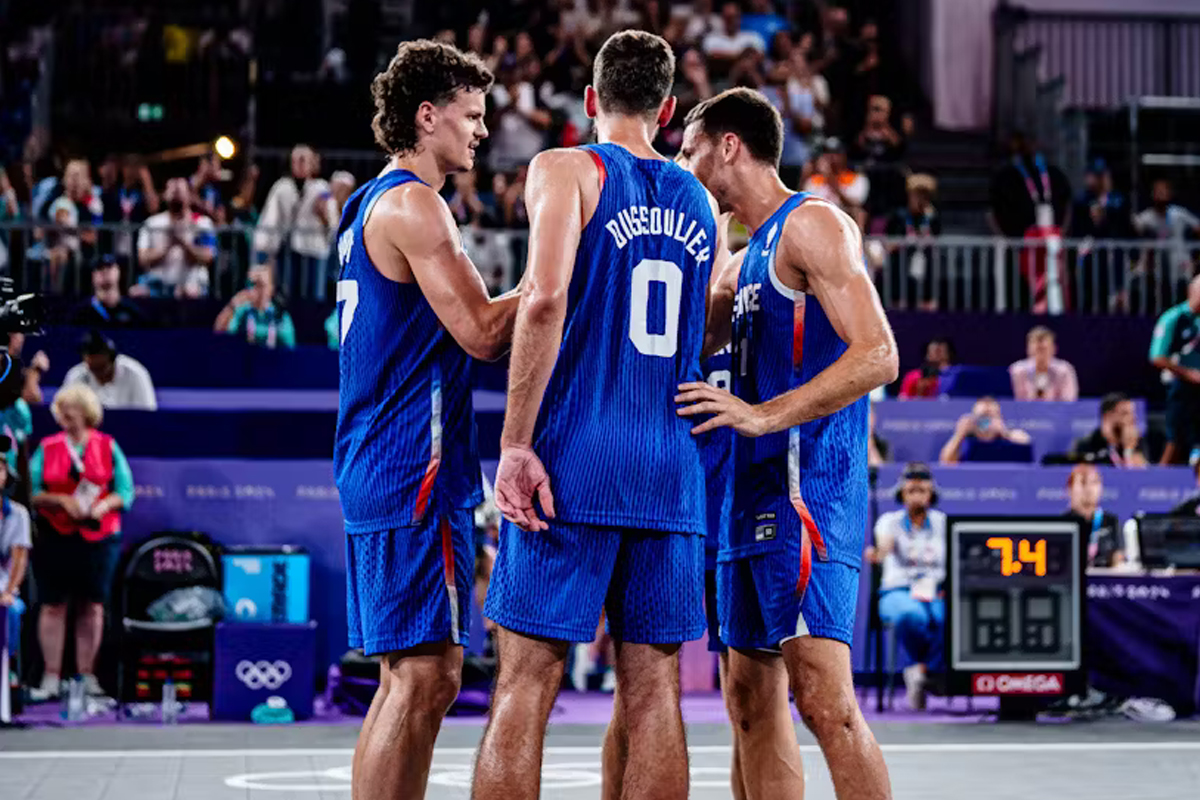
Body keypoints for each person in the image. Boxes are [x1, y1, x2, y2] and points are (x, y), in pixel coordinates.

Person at [476, 31, 721, 800]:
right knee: (655, 691)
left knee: (525, 686)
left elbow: (544, 299)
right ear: (669, 109)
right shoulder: (701, 198)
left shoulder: (565, 168)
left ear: (590, 100)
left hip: (575, 460)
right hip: (668, 463)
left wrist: (516, 441)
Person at [676, 86, 896, 800]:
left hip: (808, 498)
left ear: (729, 146)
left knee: (825, 703)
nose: (681, 162)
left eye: (689, 149)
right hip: (745, 500)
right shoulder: (739, 260)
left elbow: (879, 354)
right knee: (745, 699)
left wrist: (766, 414)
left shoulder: (815, 226)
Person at [334, 40, 520, 800]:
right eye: (471, 116)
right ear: (427, 116)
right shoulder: (415, 203)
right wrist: (562, 276)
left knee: (407, 677)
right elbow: (481, 331)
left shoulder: (368, 203)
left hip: (382, 453)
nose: (480, 131)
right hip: (416, 462)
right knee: (425, 675)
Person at [28, 384, 134, 701]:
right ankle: (50, 677)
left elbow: (125, 491)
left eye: (70, 413)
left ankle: (87, 676)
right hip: (56, 535)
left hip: (99, 536)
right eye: (61, 413)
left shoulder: (107, 445)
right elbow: (32, 492)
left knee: (92, 605)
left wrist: (102, 505)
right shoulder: (47, 447)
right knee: (54, 605)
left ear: (86, 413)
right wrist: (59, 500)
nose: (64, 418)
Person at [868, 463, 946, 710]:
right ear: (902, 493)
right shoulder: (888, 522)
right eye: (911, 490)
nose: (917, 495)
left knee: (951, 619)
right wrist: (879, 552)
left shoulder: (942, 522)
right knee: (911, 615)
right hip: (897, 591)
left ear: (931, 493)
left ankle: (920, 671)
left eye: (922, 490)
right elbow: (882, 549)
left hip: (935, 591)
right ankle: (926, 672)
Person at [133, 177, 215, 298]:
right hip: (157, 285)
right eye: (172, 191)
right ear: (164, 195)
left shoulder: (202, 223)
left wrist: (184, 244)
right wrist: (167, 245)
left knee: (191, 292)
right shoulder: (152, 223)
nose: (176, 194)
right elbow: (142, 258)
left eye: (180, 191)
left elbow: (208, 257)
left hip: (193, 285)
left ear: (190, 195)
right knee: (136, 292)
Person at [1148, 275, 1200, 465]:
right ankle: (1157, 485)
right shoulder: (1172, 318)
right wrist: (1189, 374)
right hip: (1178, 389)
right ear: (1192, 292)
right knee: (1175, 441)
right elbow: (1157, 357)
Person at [62, 331, 158, 411]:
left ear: (112, 361)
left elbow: (147, 413)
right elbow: (63, 412)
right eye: (92, 369)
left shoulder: (136, 373)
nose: (97, 374)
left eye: (101, 368)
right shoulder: (76, 375)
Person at [213, 265, 297, 349]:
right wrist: (232, 305)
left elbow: (289, 350)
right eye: (251, 284)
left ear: (271, 289)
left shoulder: (279, 315)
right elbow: (219, 333)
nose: (254, 290)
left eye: (261, 285)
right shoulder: (242, 311)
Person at [1063, 464, 1123, 568]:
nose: (1089, 489)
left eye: (1094, 483)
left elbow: (1118, 559)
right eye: (1082, 483)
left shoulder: (1112, 521)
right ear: (1069, 489)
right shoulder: (1062, 524)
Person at [939, 396, 1032, 464]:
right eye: (982, 418)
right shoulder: (965, 440)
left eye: (991, 417)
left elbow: (1026, 443)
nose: (986, 424)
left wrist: (1005, 433)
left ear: (1000, 419)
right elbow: (945, 462)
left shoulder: (1010, 435)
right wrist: (959, 434)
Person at [1069, 392, 1149, 467]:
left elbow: (1142, 475)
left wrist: (1129, 450)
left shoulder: (1137, 442)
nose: (1133, 418)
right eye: (1125, 413)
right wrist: (1111, 442)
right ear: (1107, 417)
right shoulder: (1086, 445)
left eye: (1133, 413)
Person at [69, 254, 148, 328]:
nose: (105, 271)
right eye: (99, 268)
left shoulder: (132, 312)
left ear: (118, 272)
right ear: (92, 276)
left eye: (109, 267)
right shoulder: (80, 314)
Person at [1009, 325, 1079, 401]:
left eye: (1043, 349)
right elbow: (1017, 403)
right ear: (1028, 349)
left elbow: (1069, 402)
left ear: (1054, 349)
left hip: (1058, 412)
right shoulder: (1017, 370)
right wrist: (1040, 371)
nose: (1040, 355)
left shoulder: (1065, 370)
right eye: (1037, 350)